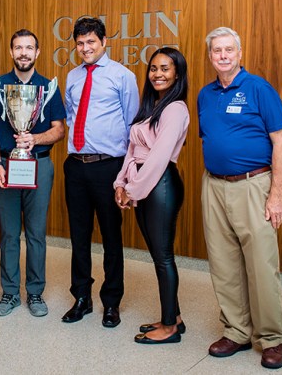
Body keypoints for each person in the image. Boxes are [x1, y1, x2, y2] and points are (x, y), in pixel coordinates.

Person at [198, 26, 282, 369]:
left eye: (228, 50)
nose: (223, 55)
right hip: (214, 186)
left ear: (239, 53)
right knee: (223, 263)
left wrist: (275, 195)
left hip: (253, 185)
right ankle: (236, 330)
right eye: (217, 51)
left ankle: (271, 338)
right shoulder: (205, 95)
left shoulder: (258, 88)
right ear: (210, 56)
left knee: (262, 264)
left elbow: (281, 142)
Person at [0, 29, 66, 317]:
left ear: (37, 52)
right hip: (5, 164)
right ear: (11, 52)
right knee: (8, 233)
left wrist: (35, 139)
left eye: (29, 47)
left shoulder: (49, 87)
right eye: (18, 48)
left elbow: (59, 130)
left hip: (39, 165)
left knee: (36, 233)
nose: (24, 53)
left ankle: (36, 293)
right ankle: (9, 293)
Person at [62, 17, 139, 328]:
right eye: (80, 43)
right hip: (76, 166)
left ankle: (111, 302)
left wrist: (126, 175)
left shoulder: (123, 76)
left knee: (111, 237)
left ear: (104, 42)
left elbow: (133, 123)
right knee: (78, 237)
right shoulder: (72, 77)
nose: (85, 48)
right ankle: (81, 297)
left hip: (109, 166)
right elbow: (70, 113)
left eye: (91, 42)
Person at [114, 47, 190, 344]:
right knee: (158, 256)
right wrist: (120, 183)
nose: (158, 74)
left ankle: (170, 328)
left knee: (163, 257)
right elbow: (132, 151)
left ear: (177, 74)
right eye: (154, 68)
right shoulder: (151, 107)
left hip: (161, 186)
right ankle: (175, 316)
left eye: (166, 68)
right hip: (143, 184)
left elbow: (157, 159)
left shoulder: (175, 109)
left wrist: (132, 189)